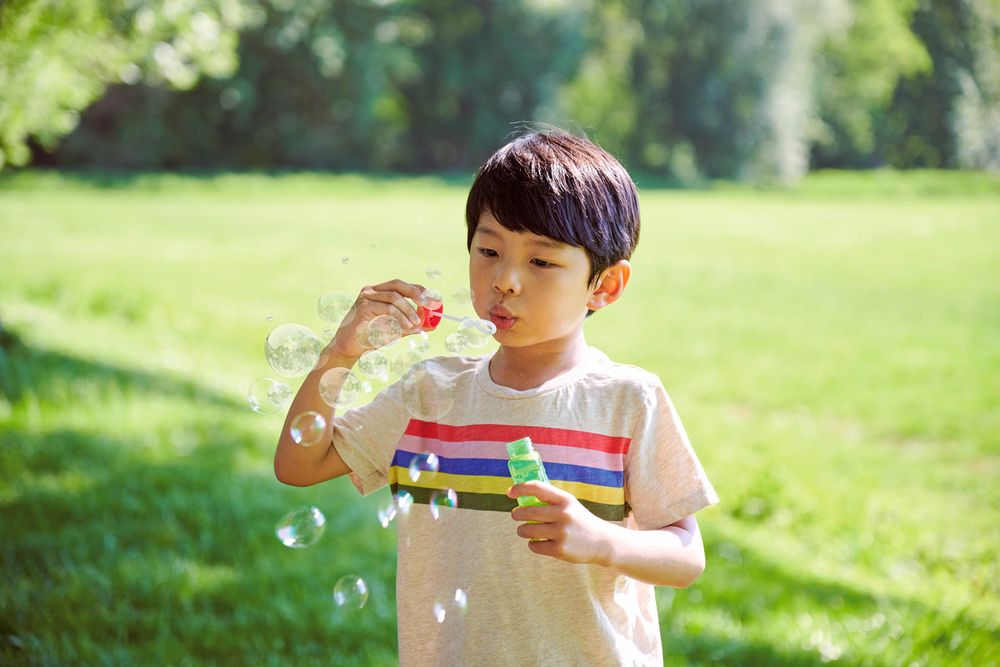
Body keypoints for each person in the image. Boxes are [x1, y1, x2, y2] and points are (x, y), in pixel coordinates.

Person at [274, 130, 719, 666]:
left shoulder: (627, 401)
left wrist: (602, 541)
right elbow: (300, 464)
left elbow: (686, 555)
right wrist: (340, 355)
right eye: (488, 250)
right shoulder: (430, 394)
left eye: (542, 262)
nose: (505, 280)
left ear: (605, 285)